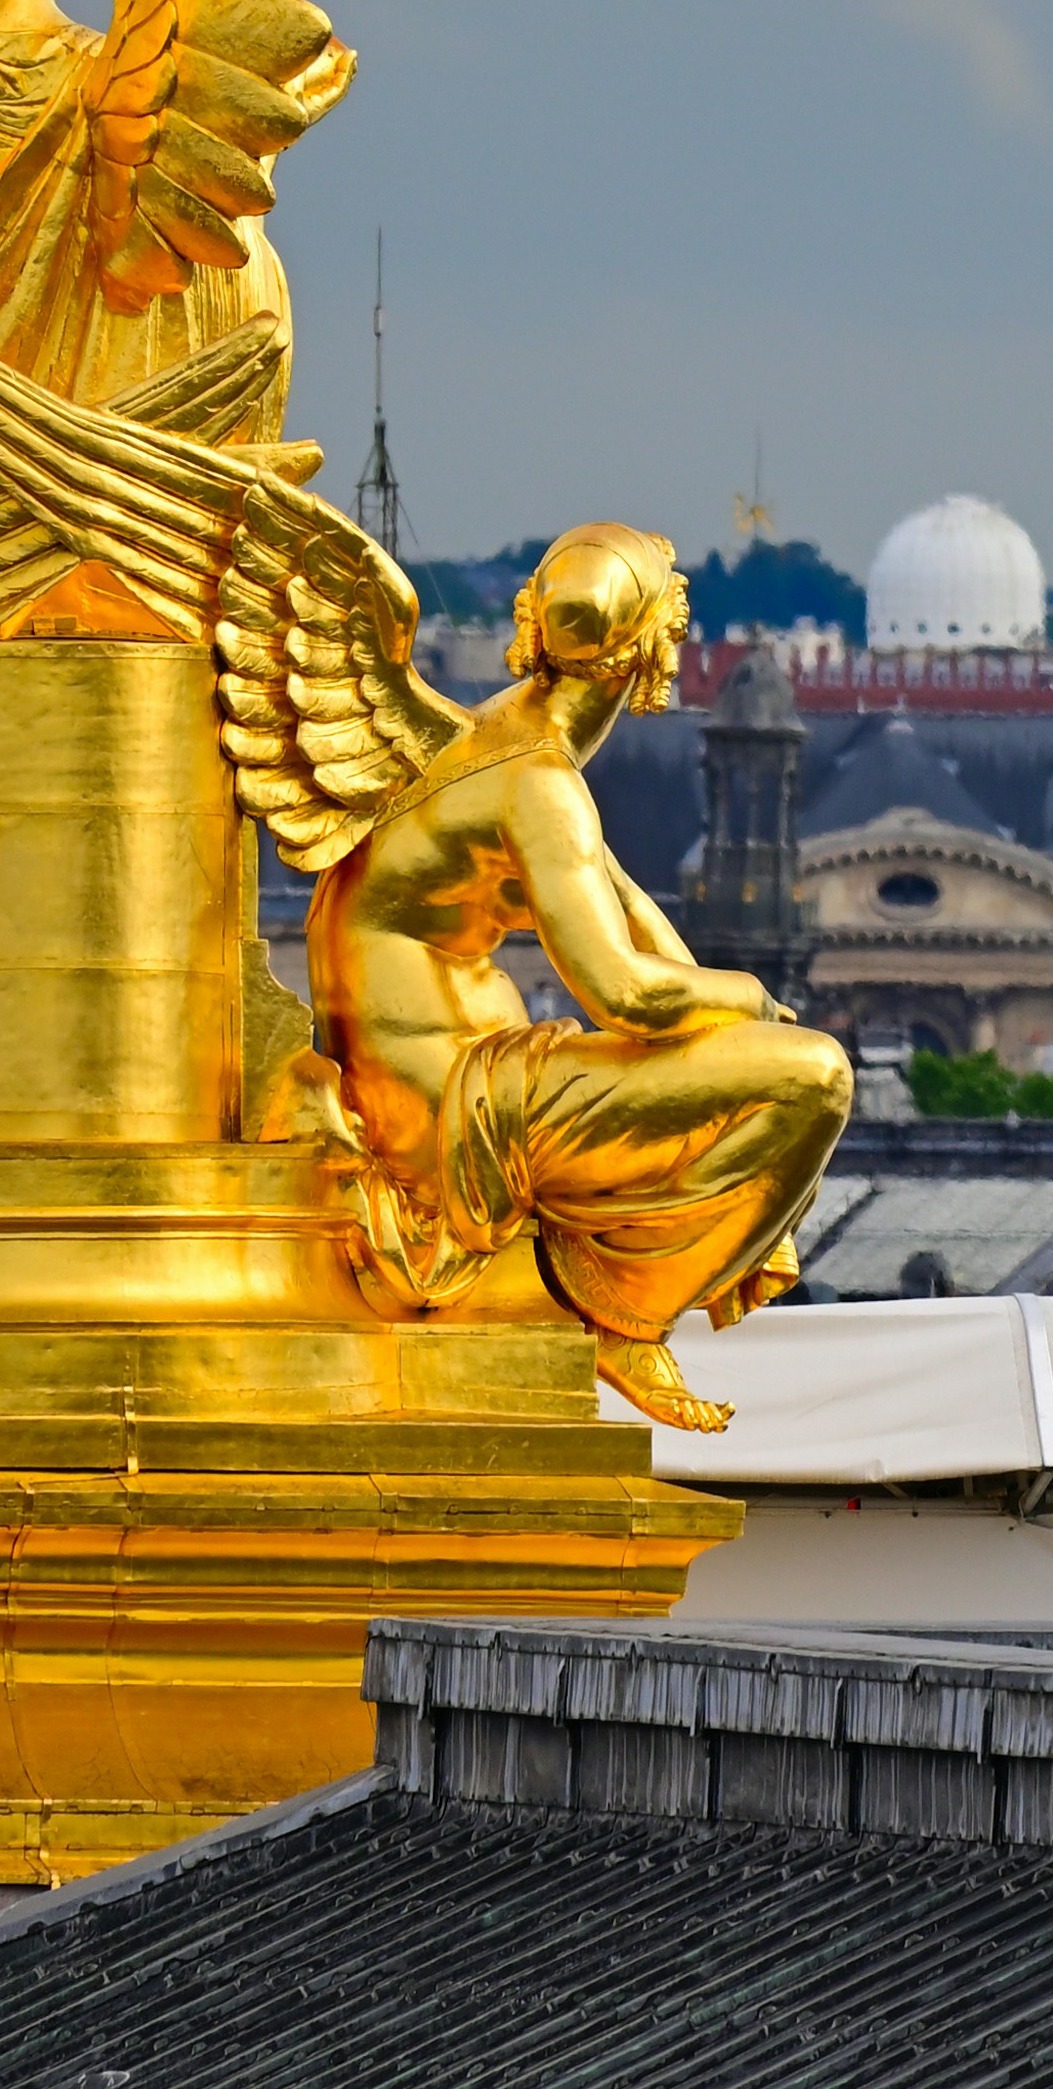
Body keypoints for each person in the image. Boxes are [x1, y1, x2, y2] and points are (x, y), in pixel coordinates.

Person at [299, 526, 854, 1425]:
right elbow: (628, 994)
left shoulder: (493, 742)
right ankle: (622, 1314)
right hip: (455, 1113)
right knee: (815, 1082)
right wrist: (750, 1001)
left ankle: (615, 1297)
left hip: (429, 1084)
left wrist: (732, 1025)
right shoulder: (539, 784)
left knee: (766, 1064)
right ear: (651, 658)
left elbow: (636, 917)